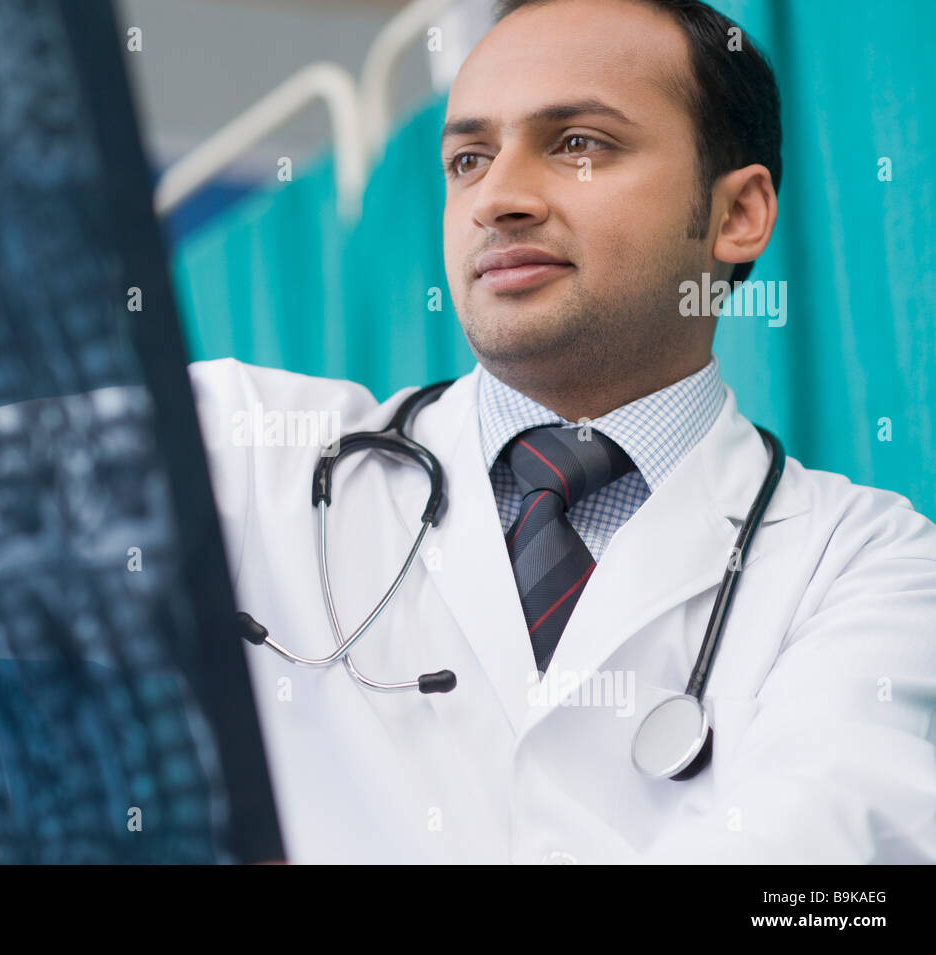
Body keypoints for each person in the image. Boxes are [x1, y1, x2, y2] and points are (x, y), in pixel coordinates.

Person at [186, 0, 936, 863]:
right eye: (468, 158)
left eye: (579, 143)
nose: (496, 199)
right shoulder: (247, 449)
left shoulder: (870, 567)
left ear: (738, 215)